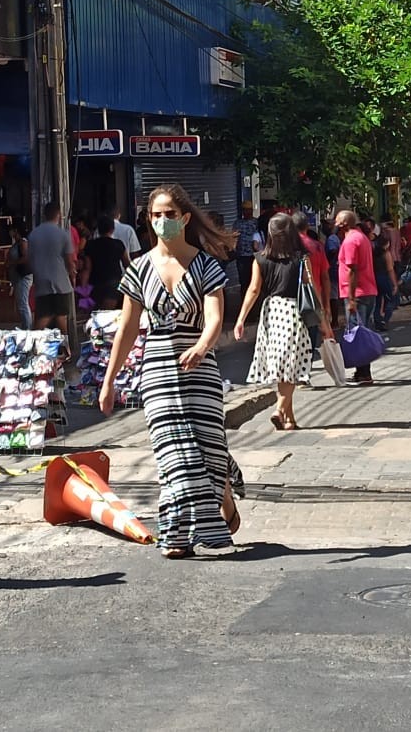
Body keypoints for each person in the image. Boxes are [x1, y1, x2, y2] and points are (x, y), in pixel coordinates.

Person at [98, 183, 240, 558]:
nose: (162, 221)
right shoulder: (139, 269)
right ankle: (177, 535)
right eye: (156, 215)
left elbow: (214, 318)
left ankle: (223, 489)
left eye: (170, 215)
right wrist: (109, 379)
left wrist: (201, 345)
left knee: (207, 449)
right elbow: (127, 328)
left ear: (186, 218)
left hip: (201, 370)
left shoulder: (206, 265)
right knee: (174, 455)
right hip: (157, 371)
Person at [235, 213, 332, 431]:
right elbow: (312, 289)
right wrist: (323, 320)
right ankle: (279, 410)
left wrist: (241, 319)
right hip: (293, 312)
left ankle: (290, 419)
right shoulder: (301, 258)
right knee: (290, 365)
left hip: (271, 312)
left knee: (281, 367)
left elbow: (253, 290)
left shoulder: (259, 258)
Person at [336, 210, 378, 385]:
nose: (334, 222)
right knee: (362, 331)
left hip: (358, 293)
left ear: (344, 223)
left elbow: (352, 270)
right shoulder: (362, 238)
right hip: (368, 291)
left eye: (337, 220)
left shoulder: (351, 241)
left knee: (357, 334)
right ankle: (362, 371)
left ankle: (364, 373)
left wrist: (351, 299)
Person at [30, 202, 76, 332]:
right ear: (58, 215)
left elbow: (30, 259)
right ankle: (65, 346)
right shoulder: (63, 234)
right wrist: (72, 275)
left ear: (44, 215)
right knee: (61, 317)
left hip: (41, 282)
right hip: (60, 282)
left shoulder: (34, 234)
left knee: (43, 316)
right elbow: (69, 260)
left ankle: (33, 342)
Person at [293, 212, 333, 356]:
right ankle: (305, 374)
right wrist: (326, 305)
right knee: (308, 343)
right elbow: (325, 278)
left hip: (290, 302)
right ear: (307, 226)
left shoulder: (286, 246)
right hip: (312, 301)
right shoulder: (316, 246)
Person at [80, 216, 130, 310]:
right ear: (112, 229)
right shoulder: (118, 244)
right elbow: (127, 265)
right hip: (114, 285)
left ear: (98, 229)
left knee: (96, 316)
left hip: (95, 285)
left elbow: (87, 268)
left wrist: (84, 290)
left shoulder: (90, 245)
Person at [6, 217, 33, 329]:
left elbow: (26, 258)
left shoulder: (23, 242)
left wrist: (12, 263)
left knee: (23, 305)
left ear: (16, 230)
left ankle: (28, 330)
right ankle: (25, 327)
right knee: (21, 304)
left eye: (11, 230)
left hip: (23, 277)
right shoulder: (17, 243)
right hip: (18, 278)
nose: (10, 232)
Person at [233, 200, 262, 297]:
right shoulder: (237, 223)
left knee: (253, 279)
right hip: (241, 256)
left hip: (253, 256)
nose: (247, 212)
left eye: (248, 210)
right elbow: (234, 238)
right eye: (245, 210)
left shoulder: (256, 222)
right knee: (243, 281)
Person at [372, 228, 398, 330]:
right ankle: (385, 319)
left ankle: (377, 320)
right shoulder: (386, 254)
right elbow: (390, 270)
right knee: (392, 299)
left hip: (375, 278)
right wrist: (395, 284)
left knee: (378, 301)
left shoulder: (373, 253)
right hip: (384, 277)